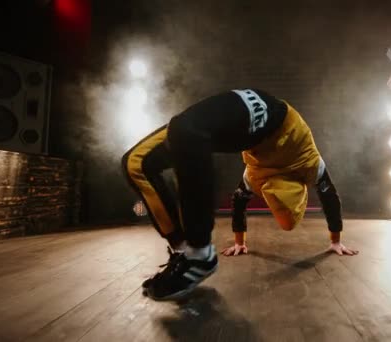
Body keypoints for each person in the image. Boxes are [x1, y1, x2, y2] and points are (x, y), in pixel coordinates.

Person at [122, 88, 357, 301]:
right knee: (159, 148)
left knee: (138, 162)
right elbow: (330, 197)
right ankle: (193, 253)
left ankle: (190, 253)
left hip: (252, 134)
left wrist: (240, 242)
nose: (265, 197)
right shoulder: (310, 165)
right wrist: (335, 240)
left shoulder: (255, 179)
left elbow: (239, 201)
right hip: (276, 119)